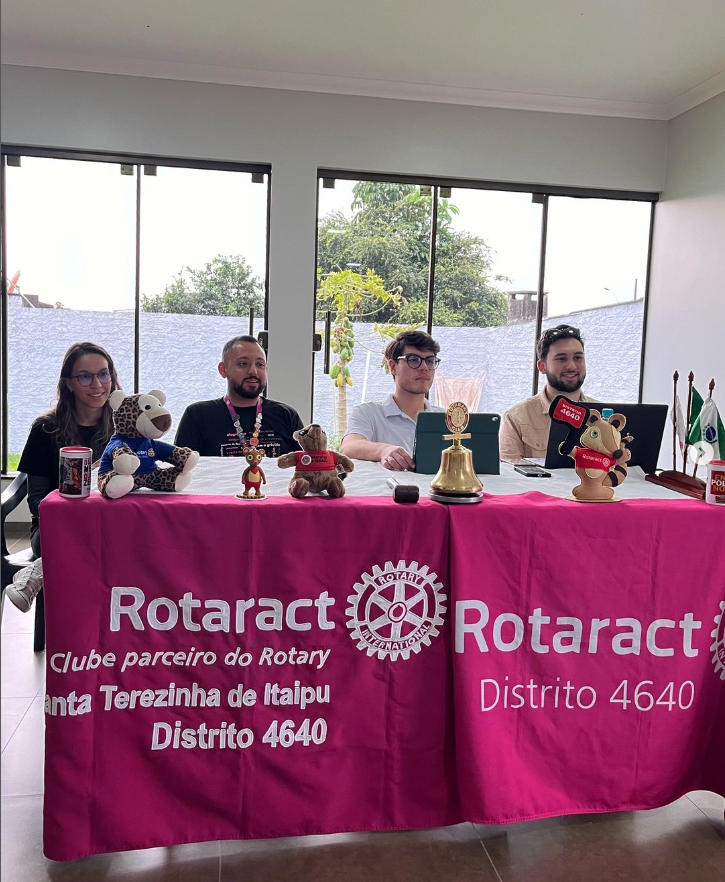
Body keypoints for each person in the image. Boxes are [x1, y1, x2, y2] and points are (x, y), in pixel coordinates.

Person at [6, 341, 120, 612]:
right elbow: (36, 501)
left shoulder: (124, 427)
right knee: (97, 543)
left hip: (113, 524)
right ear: (69, 383)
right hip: (54, 528)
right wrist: (71, 504)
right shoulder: (45, 429)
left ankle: (38, 572)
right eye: (85, 377)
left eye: (104, 374)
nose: (97, 384)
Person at [175, 335, 303, 458]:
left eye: (260, 364)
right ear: (223, 369)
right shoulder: (198, 415)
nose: (253, 371)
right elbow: (181, 468)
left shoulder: (287, 416)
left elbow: (307, 466)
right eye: (243, 364)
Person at [341, 330, 442, 471]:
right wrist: (383, 450)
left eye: (430, 361)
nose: (424, 367)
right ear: (393, 367)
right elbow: (348, 447)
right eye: (414, 360)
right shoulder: (368, 413)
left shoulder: (446, 419)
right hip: (386, 486)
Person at [499, 324, 595, 461]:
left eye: (578, 358)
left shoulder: (606, 416)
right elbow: (509, 471)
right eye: (561, 358)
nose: (572, 366)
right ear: (542, 366)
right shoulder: (516, 418)